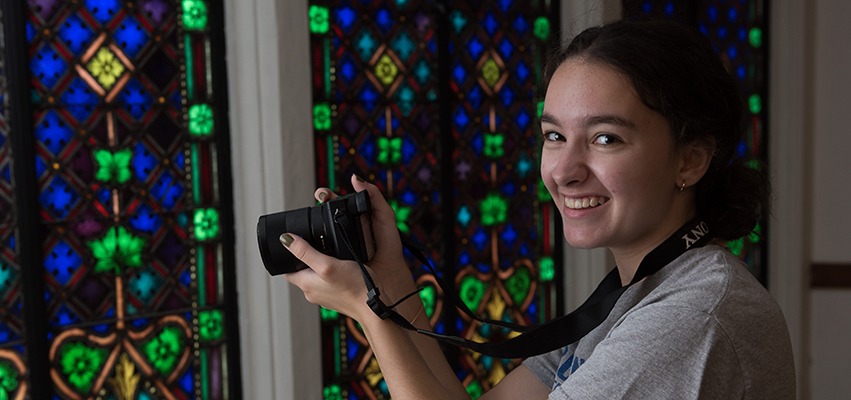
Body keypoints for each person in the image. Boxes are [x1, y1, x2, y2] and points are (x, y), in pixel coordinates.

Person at [280, 19, 795, 399]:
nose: (564, 169)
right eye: (554, 135)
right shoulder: (630, 297)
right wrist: (388, 281)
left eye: (605, 138)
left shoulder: (690, 319)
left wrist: (368, 312)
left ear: (691, 159)